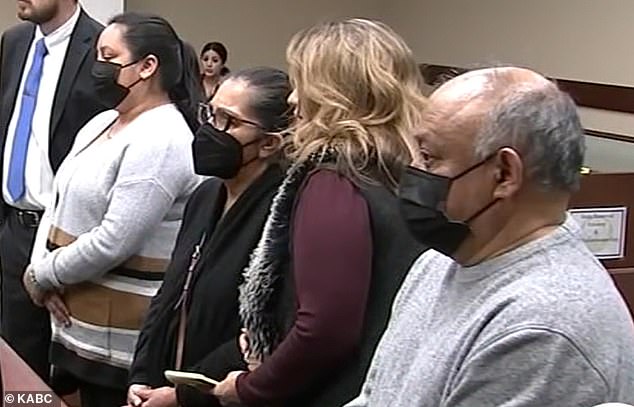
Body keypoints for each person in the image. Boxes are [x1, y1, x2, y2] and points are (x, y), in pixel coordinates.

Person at [346, 67, 634, 406]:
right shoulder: (438, 264)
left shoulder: (544, 328)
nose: (413, 171)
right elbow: (375, 396)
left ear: (504, 175)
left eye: (429, 157)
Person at [212, 18, 427, 406]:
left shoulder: (335, 180)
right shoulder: (405, 173)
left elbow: (327, 330)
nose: (292, 101)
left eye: (302, 84)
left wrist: (246, 389)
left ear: (334, 94)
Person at [22, 12, 202, 407]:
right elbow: (55, 202)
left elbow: (115, 239)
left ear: (147, 66)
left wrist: (43, 274)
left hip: (117, 344)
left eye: (109, 56)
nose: (97, 67)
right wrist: (42, 274)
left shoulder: (163, 138)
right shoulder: (102, 121)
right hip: (74, 325)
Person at [126, 67, 292, 407]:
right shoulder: (206, 195)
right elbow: (170, 291)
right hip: (162, 384)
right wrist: (141, 375)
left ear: (269, 143)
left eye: (228, 121)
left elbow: (259, 333)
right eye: (210, 113)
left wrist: (182, 397)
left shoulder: (283, 214)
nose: (209, 130)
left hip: (219, 395)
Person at [0, 0, 104, 384]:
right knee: (19, 369)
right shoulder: (14, 41)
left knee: (67, 373)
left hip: (70, 237)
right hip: (15, 230)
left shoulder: (101, 46)